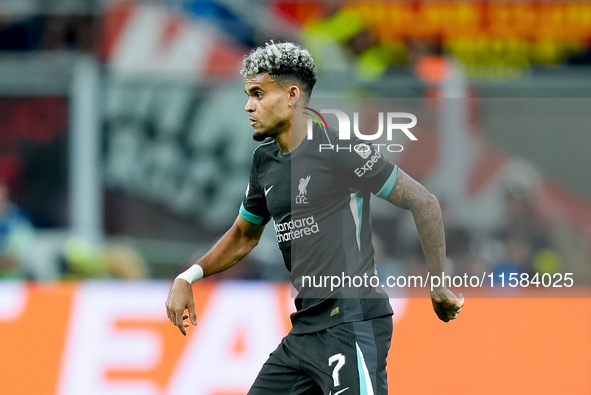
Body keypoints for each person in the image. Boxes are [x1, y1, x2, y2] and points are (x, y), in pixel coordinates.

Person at [166, 42, 464, 395]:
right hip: (304, 331)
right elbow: (245, 235)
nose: (249, 106)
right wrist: (189, 276)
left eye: (258, 94)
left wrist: (439, 283)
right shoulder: (265, 162)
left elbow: (423, 202)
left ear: (292, 95)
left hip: (352, 321)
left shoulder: (342, 150)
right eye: (248, 95)